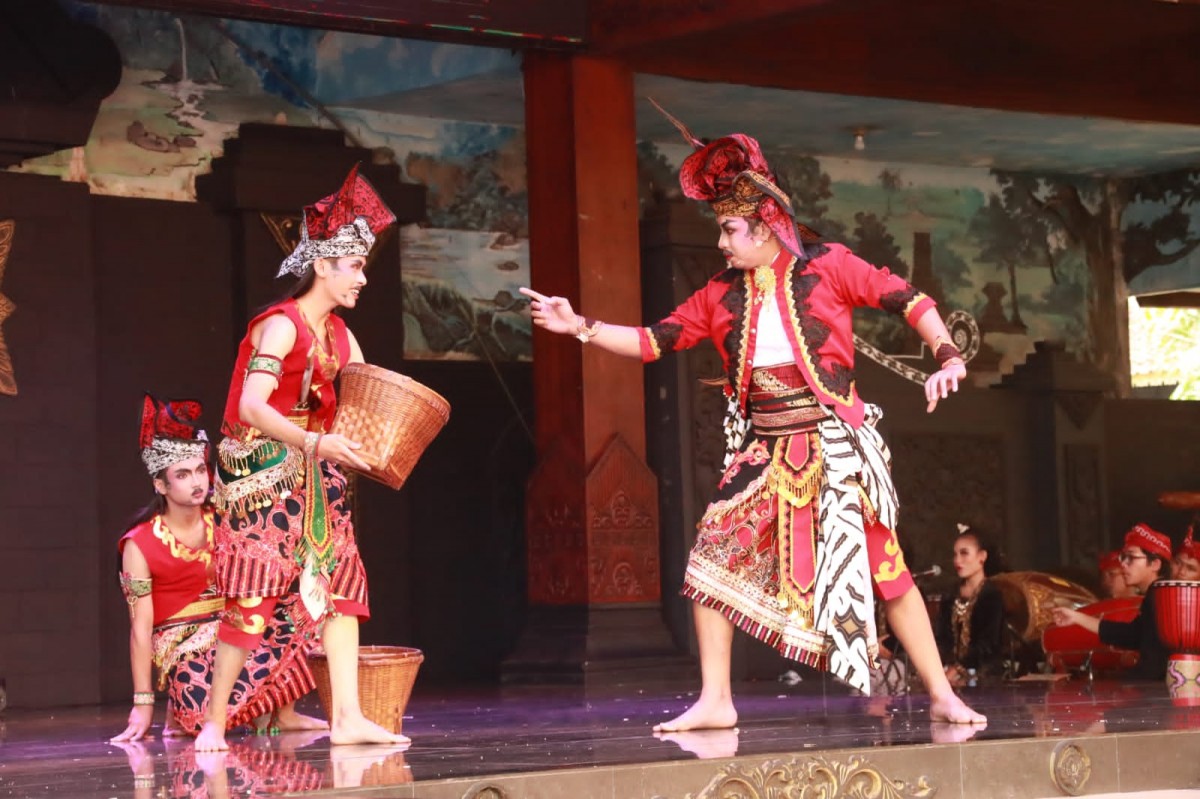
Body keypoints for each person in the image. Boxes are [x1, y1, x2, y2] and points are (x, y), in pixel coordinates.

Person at [520, 129, 985, 729]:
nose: (720, 242)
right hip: (765, 450)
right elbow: (653, 341)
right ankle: (717, 700)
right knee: (707, 561)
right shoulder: (720, 294)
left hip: (833, 444)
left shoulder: (828, 266)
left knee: (887, 570)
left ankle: (942, 694)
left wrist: (948, 356)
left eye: (729, 229)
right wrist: (580, 326)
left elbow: (908, 299)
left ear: (765, 226)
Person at [196, 165, 405, 751]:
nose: (363, 277)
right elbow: (251, 404)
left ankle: (348, 718)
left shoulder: (341, 336)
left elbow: (361, 403)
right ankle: (214, 721)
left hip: (317, 476)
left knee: (341, 588)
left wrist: (374, 446)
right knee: (254, 595)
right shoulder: (281, 327)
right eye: (355, 265)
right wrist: (316, 443)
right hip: (262, 476)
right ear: (323, 265)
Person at [112, 395, 322, 743]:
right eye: (183, 475)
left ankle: (281, 713)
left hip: (232, 631)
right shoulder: (139, 543)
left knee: (306, 606)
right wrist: (143, 704)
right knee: (198, 708)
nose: (197, 482)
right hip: (186, 649)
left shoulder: (224, 518)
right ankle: (218, 712)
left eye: (200, 470)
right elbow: (141, 629)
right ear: (160, 485)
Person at [1052, 523, 1172, 681]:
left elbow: (1156, 663)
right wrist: (1077, 617)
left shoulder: (1162, 595)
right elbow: (1131, 635)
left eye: (1131, 558)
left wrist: (1131, 683)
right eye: (1123, 557)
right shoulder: (1156, 593)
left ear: (1155, 564)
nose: (1123, 564)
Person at [933, 524, 1006, 684]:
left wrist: (959, 669)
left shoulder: (991, 595)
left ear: (982, 556)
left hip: (984, 676)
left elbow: (989, 644)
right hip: (948, 674)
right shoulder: (950, 595)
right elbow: (942, 638)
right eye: (955, 554)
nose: (957, 560)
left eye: (964, 553)